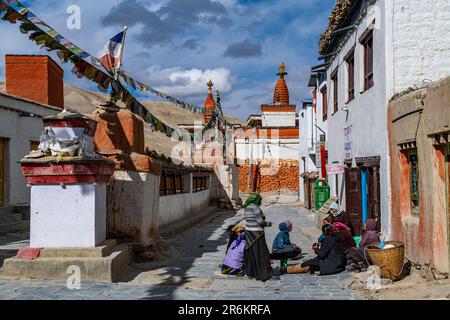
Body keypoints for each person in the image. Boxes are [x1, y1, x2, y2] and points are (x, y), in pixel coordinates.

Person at [243, 193, 273, 281]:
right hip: (257, 234)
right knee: (261, 254)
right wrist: (268, 224)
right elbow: (260, 222)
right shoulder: (255, 207)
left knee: (251, 253)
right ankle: (261, 273)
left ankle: (250, 273)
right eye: (260, 200)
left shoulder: (246, 207)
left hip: (249, 233)